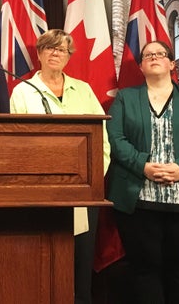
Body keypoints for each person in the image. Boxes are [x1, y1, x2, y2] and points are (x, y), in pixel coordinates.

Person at [106, 40, 179, 304]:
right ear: (141, 66)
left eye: (161, 54)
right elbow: (114, 139)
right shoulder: (126, 98)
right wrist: (142, 166)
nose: (155, 57)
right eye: (148, 55)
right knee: (144, 273)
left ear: (172, 64)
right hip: (139, 202)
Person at [9, 29, 110, 304]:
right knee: (44, 260)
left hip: (83, 194)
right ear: (39, 53)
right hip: (40, 194)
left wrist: (91, 181)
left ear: (69, 56)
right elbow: (16, 144)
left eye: (62, 49)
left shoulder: (84, 90)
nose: (56, 53)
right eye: (50, 48)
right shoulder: (23, 91)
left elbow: (102, 140)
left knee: (79, 263)